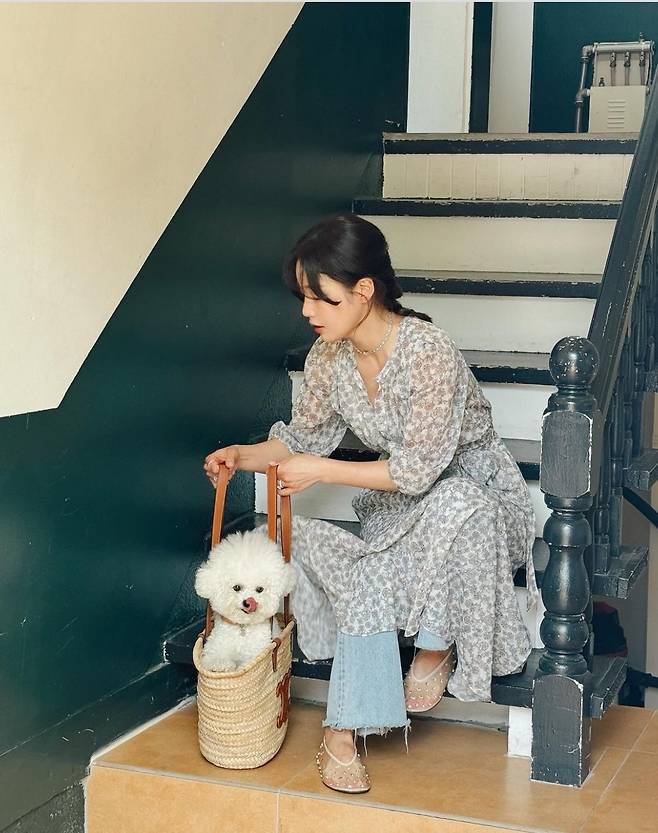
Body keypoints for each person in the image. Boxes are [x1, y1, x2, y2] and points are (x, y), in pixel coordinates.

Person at [204, 213, 538, 794]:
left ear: (364, 291)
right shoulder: (327, 358)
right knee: (369, 573)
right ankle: (342, 732)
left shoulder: (428, 352)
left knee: (459, 500)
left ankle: (435, 645)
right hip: (401, 510)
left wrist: (325, 471)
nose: (309, 312)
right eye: (304, 298)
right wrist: (244, 455)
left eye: (322, 298)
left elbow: (419, 470)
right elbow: (303, 439)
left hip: (480, 506)